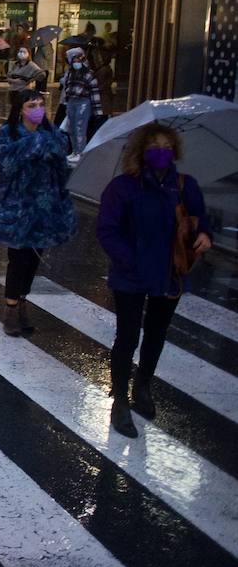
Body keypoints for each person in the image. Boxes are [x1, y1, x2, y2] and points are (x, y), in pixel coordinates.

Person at [97, 123, 212, 438]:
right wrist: (129, 260)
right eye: (154, 146)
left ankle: (143, 386)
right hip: (131, 275)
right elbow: (107, 230)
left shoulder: (185, 185)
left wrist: (205, 235)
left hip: (169, 273)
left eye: (166, 146)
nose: (161, 152)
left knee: (157, 333)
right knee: (127, 336)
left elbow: (201, 218)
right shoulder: (123, 187)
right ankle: (120, 400)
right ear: (141, 151)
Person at [0, 91, 76, 336]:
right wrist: (35, 144)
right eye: (32, 105)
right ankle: (11, 308)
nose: (38, 109)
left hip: (45, 208)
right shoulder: (7, 134)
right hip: (17, 208)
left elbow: (62, 162)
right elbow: (7, 164)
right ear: (21, 109)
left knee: (34, 257)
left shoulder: (53, 134)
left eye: (40, 104)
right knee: (18, 258)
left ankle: (22, 300)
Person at [60, 46, 103, 162]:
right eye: (74, 61)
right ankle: (75, 151)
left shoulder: (89, 75)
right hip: (71, 102)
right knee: (71, 128)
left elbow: (94, 92)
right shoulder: (71, 73)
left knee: (80, 128)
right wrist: (65, 101)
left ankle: (80, 152)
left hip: (83, 102)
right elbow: (67, 88)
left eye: (78, 61)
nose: (76, 63)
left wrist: (98, 110)